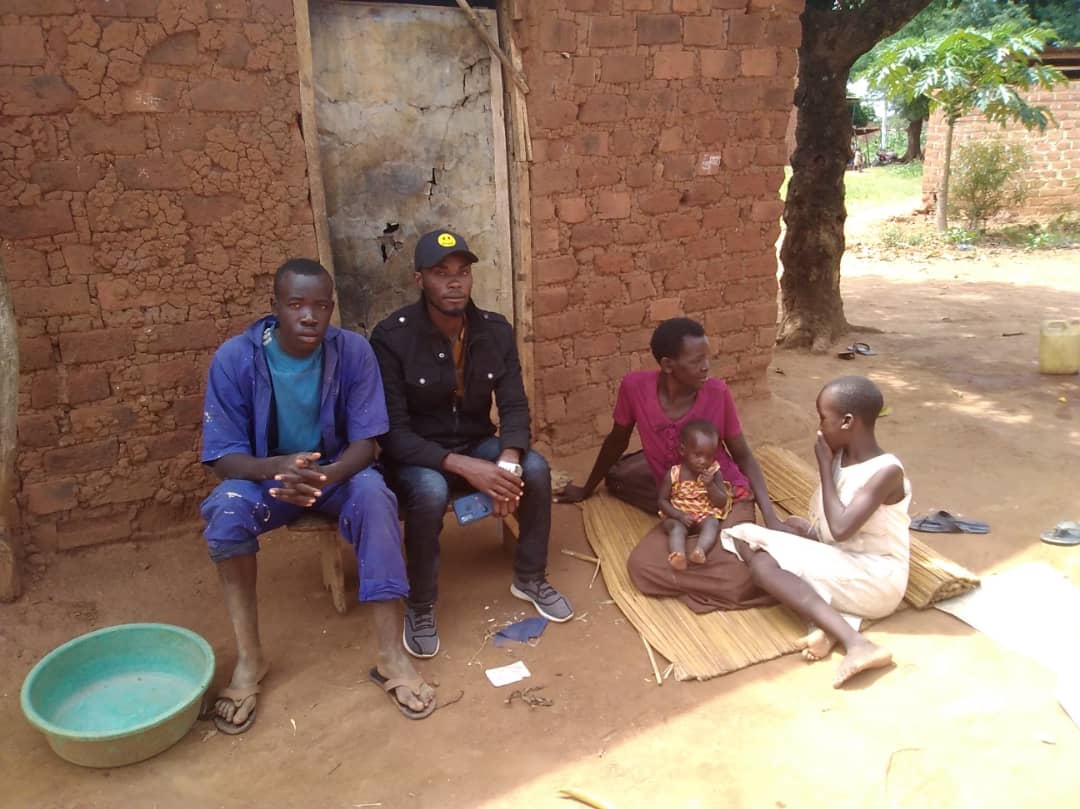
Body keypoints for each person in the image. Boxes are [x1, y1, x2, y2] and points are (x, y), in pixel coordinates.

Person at [200, 258, 436, 730]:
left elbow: (366, 444)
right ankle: (250, 659)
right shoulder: (235, 358)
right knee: (226, 510)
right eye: (296, 305)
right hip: (267, 478)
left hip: (337, 474)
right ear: (274, 306)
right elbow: (222, 456)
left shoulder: (352, 352)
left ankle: (391, 656)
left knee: (376, 496)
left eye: (321, 306)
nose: (309, 316)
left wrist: (325, 476)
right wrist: (278, 468)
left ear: (331, 308)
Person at [370, 228, 573, 659]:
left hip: (476, 441)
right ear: (419, 279)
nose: (454, 282)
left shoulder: (494, 331)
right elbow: (393, 434)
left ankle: (530, 577)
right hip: (419, 454)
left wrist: (509, 463)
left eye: (462, 272)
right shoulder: (392, 338)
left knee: (535, 469)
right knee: (430, 491)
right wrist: (466, 467)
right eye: (441, 273)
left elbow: (514, 406)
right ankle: (420, 604)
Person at [558, 317, 783, 612]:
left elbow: (743, 456)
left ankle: (718, 569)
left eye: (707, 358)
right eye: (696, 361)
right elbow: (616, 441)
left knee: (731, 562)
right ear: (667, 365)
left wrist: (770, 516)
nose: (706, 367)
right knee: (641, 568)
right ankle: (722, 571)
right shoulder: (635, 388)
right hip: (681, 507)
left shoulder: (717, 393)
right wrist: (587, 488)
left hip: (726, 497)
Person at [720, 375, 911, 688]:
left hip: (878, 579)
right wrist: (809, 534)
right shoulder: (842, 455)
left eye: (823, 418)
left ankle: (858, 644)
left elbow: (841, 529)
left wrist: (823, 465)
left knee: (759, 560)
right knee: (759, 537)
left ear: (847, 422)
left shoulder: (886, 472)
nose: (819, 427)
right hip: (849, 561)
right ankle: (829, 628)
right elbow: (836, 529)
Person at [658, 419, 732, 571]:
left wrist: (710, 485)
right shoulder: (674, 474)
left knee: (712, 523)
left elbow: (721, 502)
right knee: (676, 529)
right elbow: (662, 501)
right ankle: (678, 555)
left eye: (709, 456)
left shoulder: (713, 473)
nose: (703, 461)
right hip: (678, 516)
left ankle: (699, 551)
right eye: (698, 455)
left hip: (703, 514)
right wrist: (679, 515)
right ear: (682, 451)